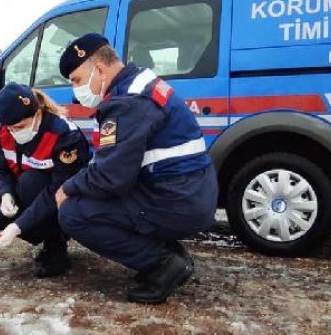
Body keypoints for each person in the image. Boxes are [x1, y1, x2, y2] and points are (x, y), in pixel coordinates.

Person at [55, 33, 219, 304]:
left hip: (178, 199)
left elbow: (110, 177)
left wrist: (67, 188)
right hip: (188, 192)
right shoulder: (138, 82)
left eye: (77, 81)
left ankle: (162, 263)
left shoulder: (128, 103)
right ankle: (169, 253)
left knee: (73, 213)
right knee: (96, 196)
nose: (76, 91)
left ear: (98, 69)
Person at [0, 83, 90, 278]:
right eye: (10, 128)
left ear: (38, 114)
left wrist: (17, 228)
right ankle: (48, 239)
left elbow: (57, 190)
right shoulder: (6, 132)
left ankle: (57, 246)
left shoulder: (64, 135)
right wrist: (5, 194)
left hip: (66, 202)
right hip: (34, 198)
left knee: (30, 181)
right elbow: (2, 170)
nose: (15, 132)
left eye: (20, 127)